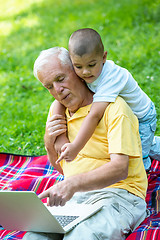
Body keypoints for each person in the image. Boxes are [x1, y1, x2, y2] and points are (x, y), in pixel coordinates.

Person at [23, 47, 148, 240]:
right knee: (34, 236)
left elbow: (120, 169)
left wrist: (72, 184)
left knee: (83, 236)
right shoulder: (58, 114)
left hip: (118, 195)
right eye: (49, 86)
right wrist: (49, 143)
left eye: (60, 78)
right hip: (76, 197)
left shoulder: (115, 109)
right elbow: (67, 171)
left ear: (77, 71)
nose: (57, 90)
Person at [55, 28, 160, 171]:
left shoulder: (111, 77)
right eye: (78, 66)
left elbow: (95, 115)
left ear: (104, 57)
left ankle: (144, 174)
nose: (85, 72)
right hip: (123, 117)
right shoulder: (88, 73)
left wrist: (76, 147)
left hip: (142, 118)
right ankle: (153, 144)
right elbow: (59, 98)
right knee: (141, 143)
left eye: (91, 65)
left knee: (136, 154)